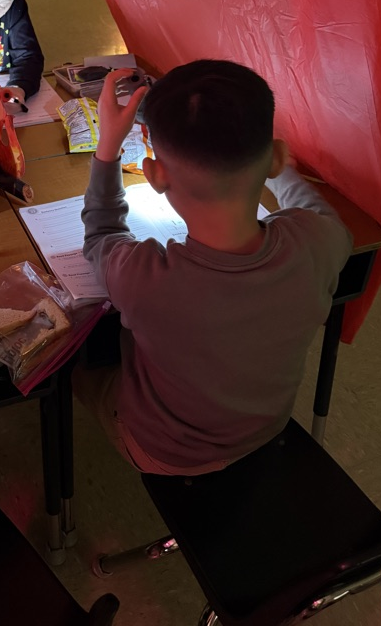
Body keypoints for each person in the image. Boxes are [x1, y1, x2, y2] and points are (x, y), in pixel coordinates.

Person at [78, 60, 352, 475]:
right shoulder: (319, 242)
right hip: (265, 428)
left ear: (154, 174)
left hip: (164, 453)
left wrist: (108, 150)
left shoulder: (144, 278)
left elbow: (100, 234)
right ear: (276, 157)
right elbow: (317, 211)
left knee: (75, 363)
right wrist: (277, 171)